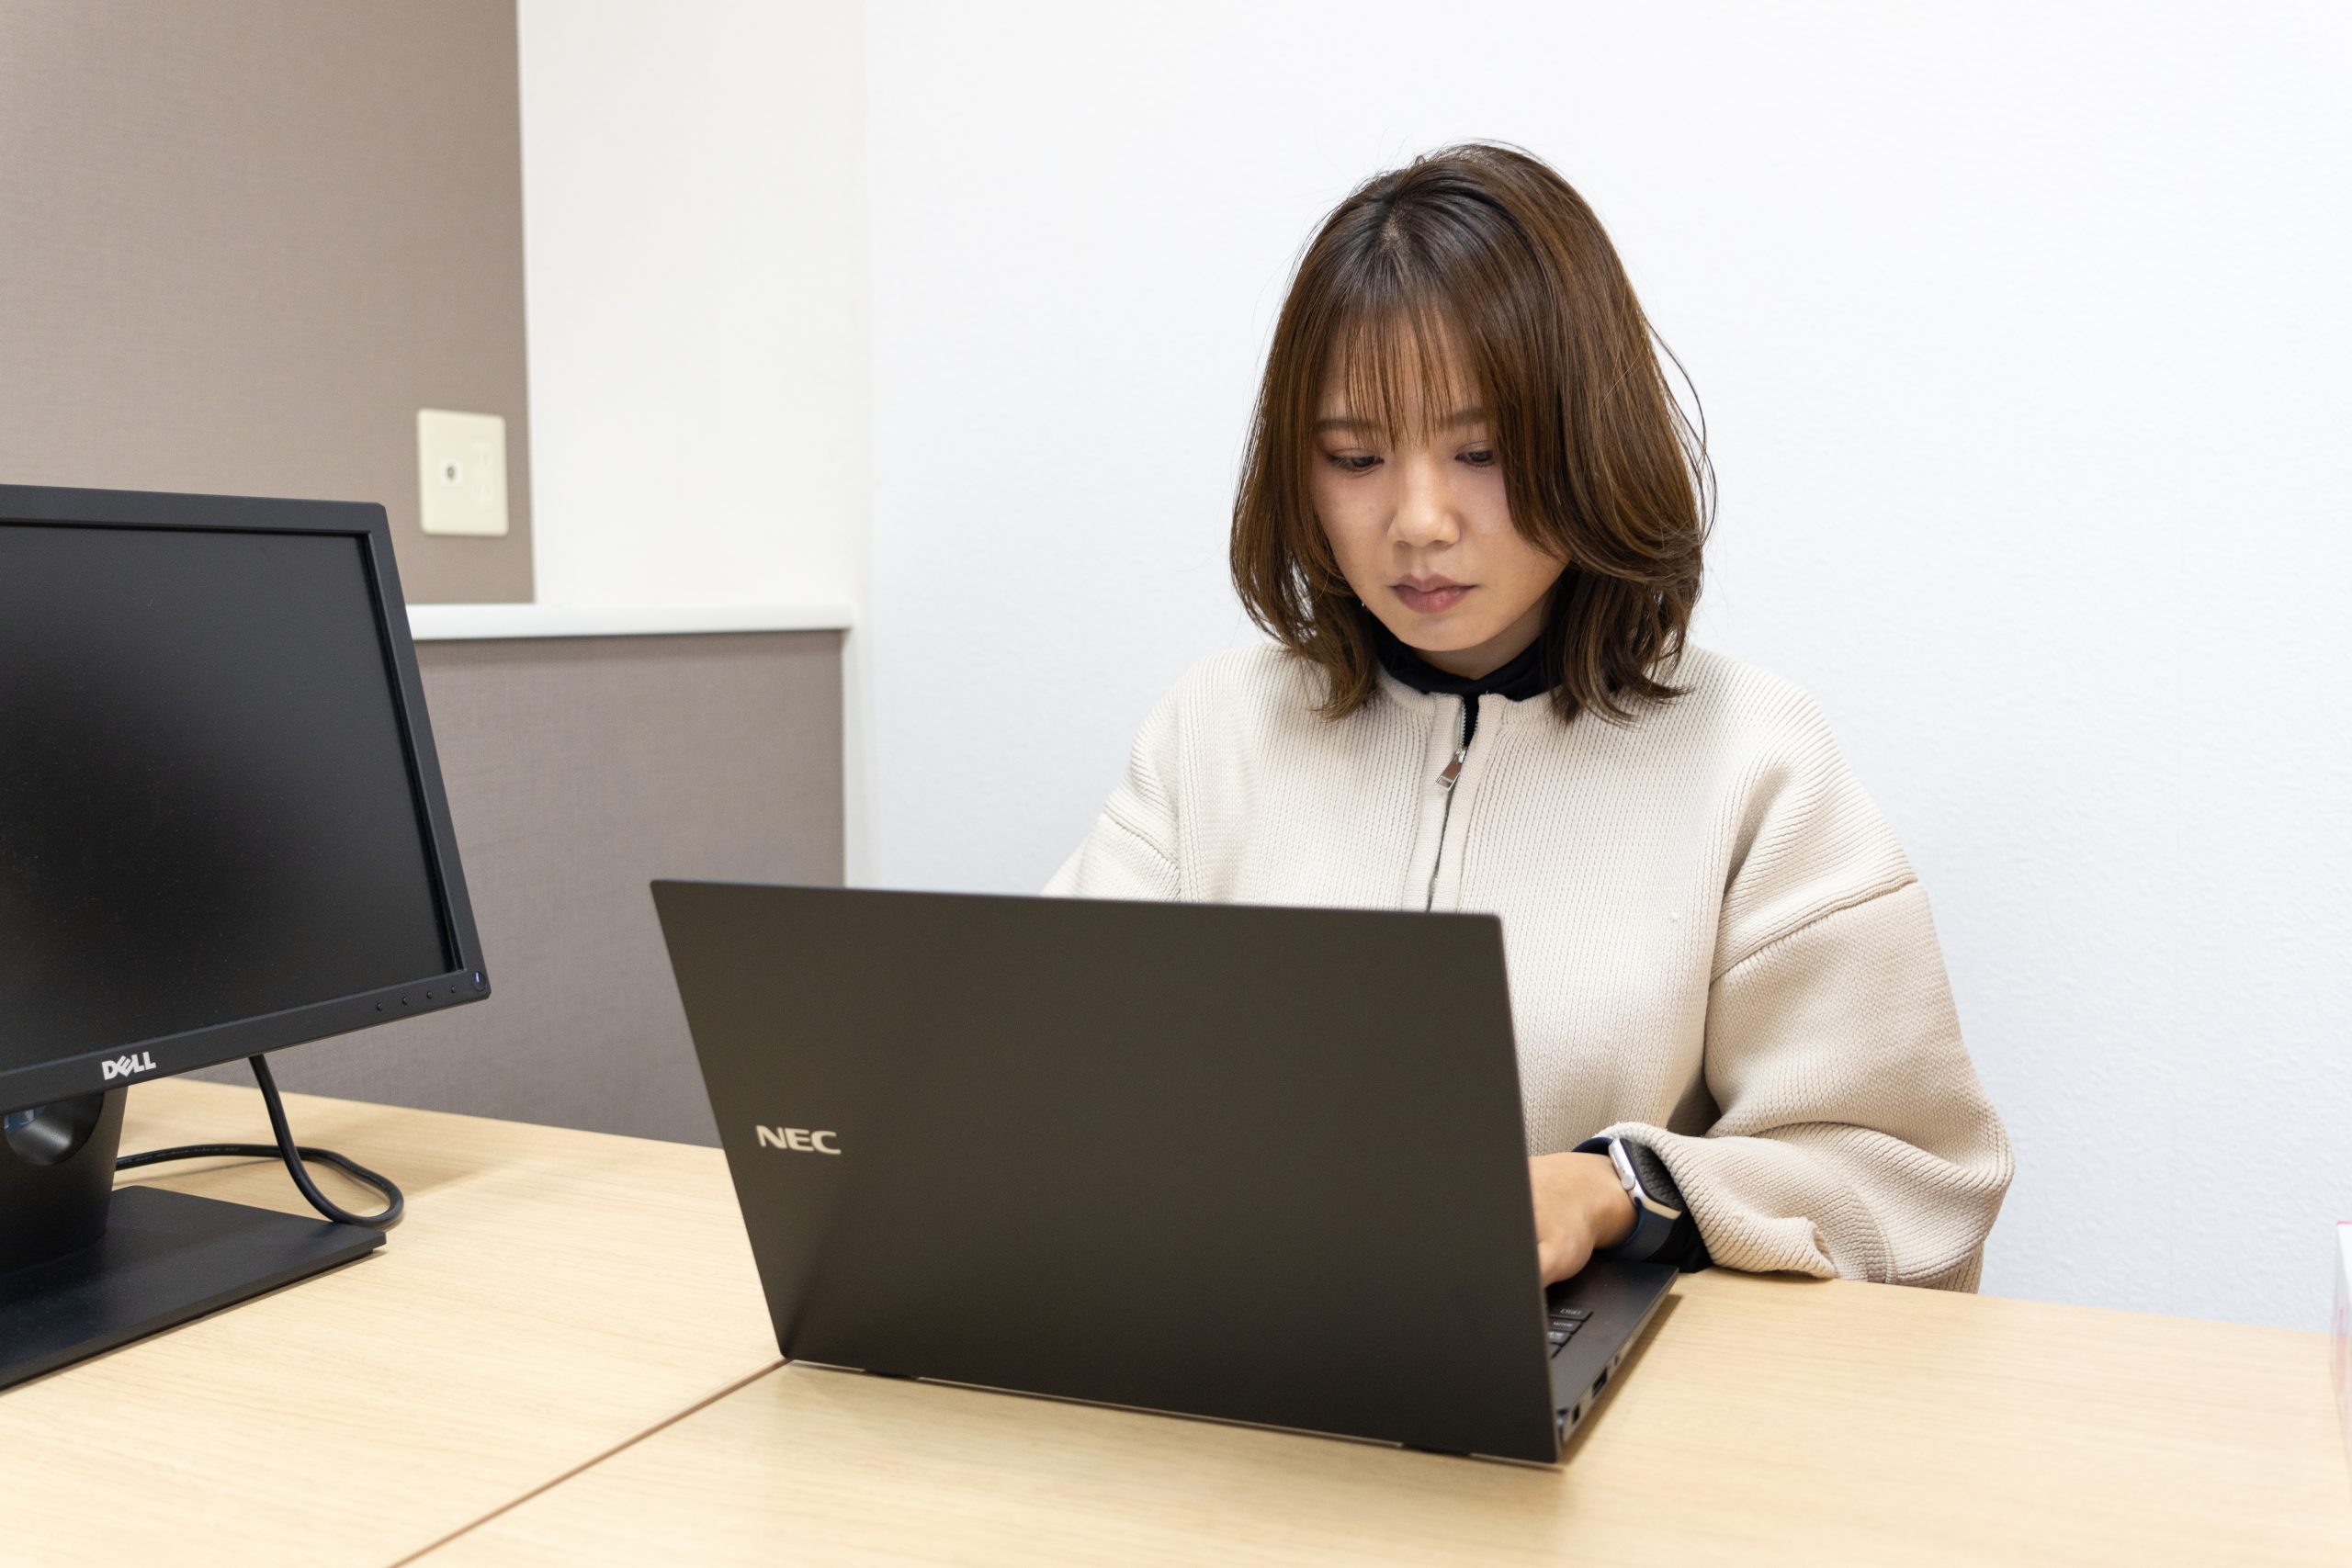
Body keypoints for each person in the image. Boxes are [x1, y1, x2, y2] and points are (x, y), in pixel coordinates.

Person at [1047, 142, 2012, 1290]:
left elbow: (1910, 1183)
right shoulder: (1212, 733)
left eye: (1480, 451)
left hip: (1605, 1378)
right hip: (1238, 1352)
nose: (1418, 520)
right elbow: (1044, 1083)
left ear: (1588, 437)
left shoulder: (1753, 760)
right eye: (1355, 455)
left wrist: (1619, 1188)